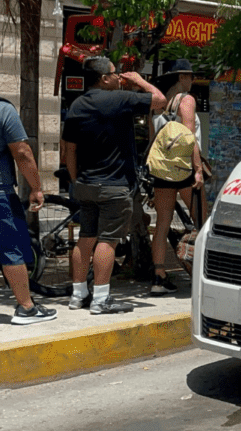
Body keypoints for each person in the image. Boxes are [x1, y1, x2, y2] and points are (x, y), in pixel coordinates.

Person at [62, 57, 166, 315]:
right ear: (104, 78)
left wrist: (76, 181)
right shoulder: (119, 99)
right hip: (113, 185)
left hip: (85, 184)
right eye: (116, 73)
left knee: (85, 238)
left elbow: (69, 150)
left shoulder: (76, 105)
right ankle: (100, 299)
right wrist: (140, 81)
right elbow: (161, 101)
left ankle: (78, 295)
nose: (120, 77)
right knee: (107, 241)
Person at [149, 59, 203, 295]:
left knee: (161, 223)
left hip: (162, 171)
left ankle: (159, 278)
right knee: (203, 220)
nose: (192, 81)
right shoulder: (186, 100)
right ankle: (204, 273)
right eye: (190, 76)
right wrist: (198, 168)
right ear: (181, 77)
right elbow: (189, 135)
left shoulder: (157, 104)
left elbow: (153, 141)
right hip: (185, 170)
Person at [1, 98, 55, 325]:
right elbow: (22, 152)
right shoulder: (3, 109)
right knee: (9, 248)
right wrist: (36, 188)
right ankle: (26, 308)